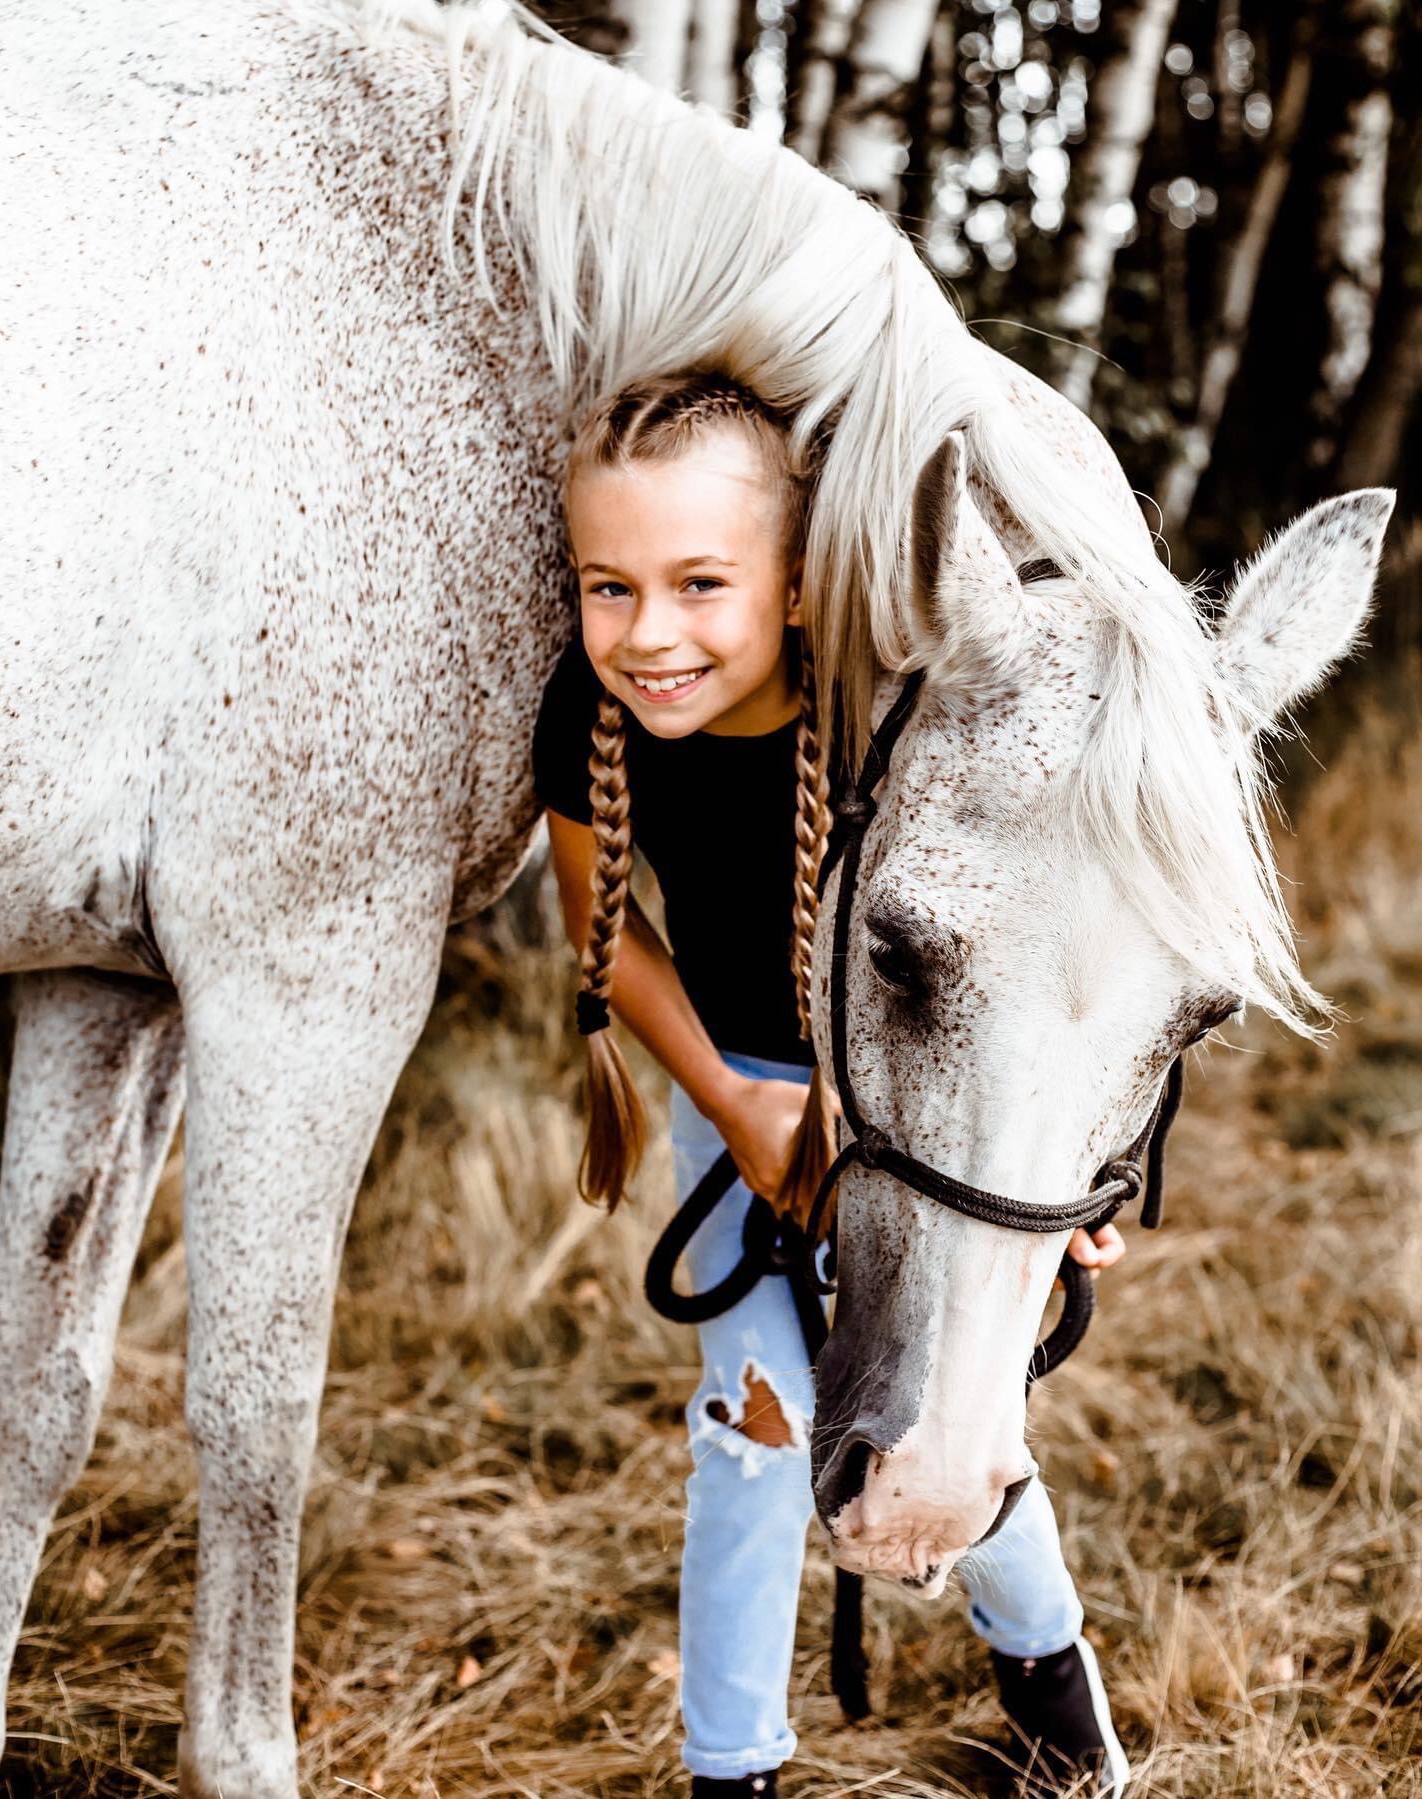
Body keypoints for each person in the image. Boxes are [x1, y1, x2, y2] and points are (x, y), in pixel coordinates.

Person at [533, 373, 1131, 1798]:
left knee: (950, 1403)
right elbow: (604, 936)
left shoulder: (888, 708)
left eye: (697, 583)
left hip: (923, 1118)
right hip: (733, 1093)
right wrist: (738, 1112)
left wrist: (1054, 1180)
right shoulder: (590, 711)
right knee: (758, 1418)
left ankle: (1053, 1687)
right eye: (607, 587)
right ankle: (729, 1766)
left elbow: (1029, 949)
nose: (649, 633)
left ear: (796, 590)